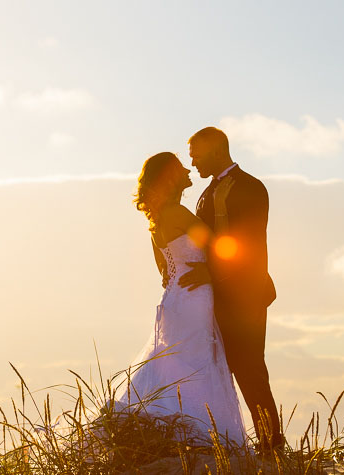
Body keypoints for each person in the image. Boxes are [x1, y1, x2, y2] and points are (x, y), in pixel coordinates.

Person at [116, 151, 246, 446]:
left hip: (175, 297)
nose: (188, 170)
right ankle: (201, 436)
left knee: (175, 364)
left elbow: (164, 272)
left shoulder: (158, 219)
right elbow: (219, 247)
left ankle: (171, 433)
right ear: (170, 177)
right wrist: (212, 275)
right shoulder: (178, 214)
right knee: (197, 364)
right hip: (195, 297)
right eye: (180, 168)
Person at [180, 127, 285, 450]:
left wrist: (209, 271)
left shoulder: (249, 187)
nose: (192, 161)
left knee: (250, 367)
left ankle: (272, 445)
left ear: (214, 150)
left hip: (244, 296)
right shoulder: (210, 189)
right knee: (235, 368)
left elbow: (245, 245)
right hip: (220, 295)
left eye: (196, 153)